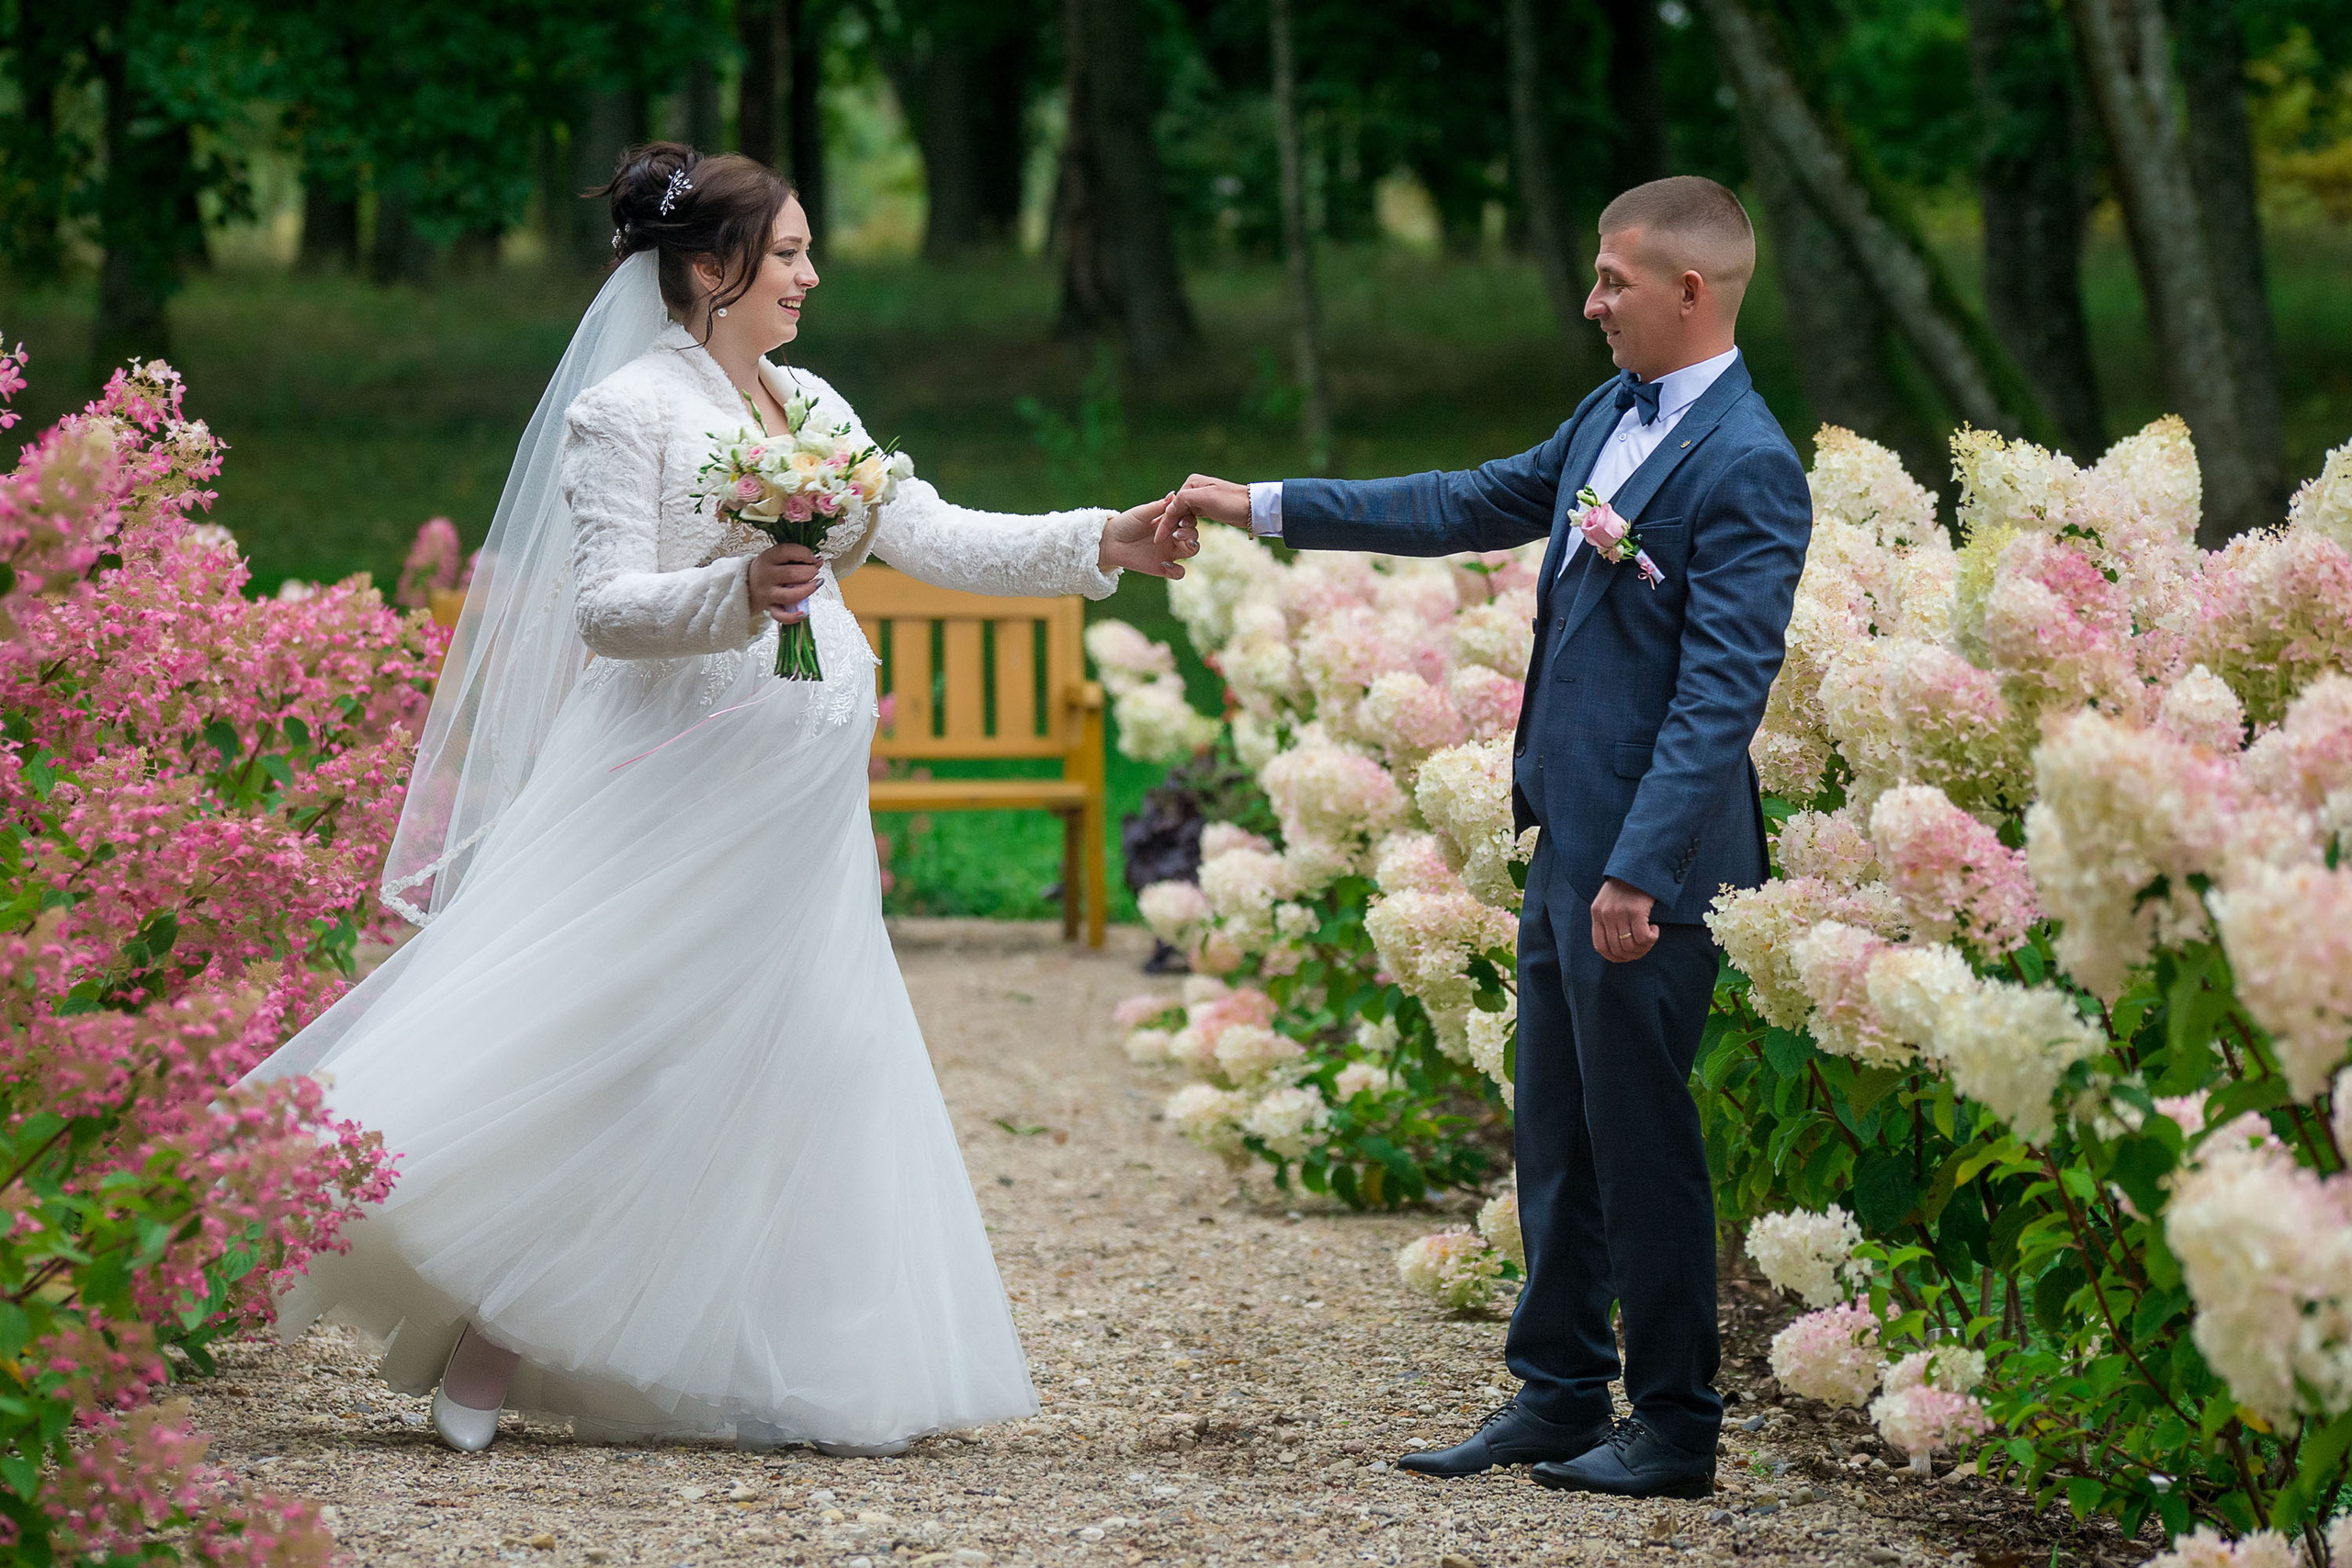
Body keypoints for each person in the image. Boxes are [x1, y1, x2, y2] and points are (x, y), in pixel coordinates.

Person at [247, 142, 1199, 1456]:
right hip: (676, 786)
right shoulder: (628, 412)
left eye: (807, 251)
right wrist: (736, 593)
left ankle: (776, 1359)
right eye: (790, 252)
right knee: (637, 1057)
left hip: (798, 803)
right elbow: (605, 611)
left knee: (810, 1059)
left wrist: (1103, 539)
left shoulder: (808, 404)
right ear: (712, 267)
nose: (811, 274)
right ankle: (494, 1323)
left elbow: (926, 527)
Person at [1159, 175, 1810, 1500]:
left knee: (1644, 1147)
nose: (1591, 303)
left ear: (1691, 291)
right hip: (1569, 844)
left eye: (1613, 282)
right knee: (1556, 1135)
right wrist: (1260, 504)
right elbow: (1464, 503)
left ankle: (1677, 1428)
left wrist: (1635, 867)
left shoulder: (1749, 463)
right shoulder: (1609, 416)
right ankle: (1560, 1392)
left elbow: (1720, 688)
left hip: (1652, 868)